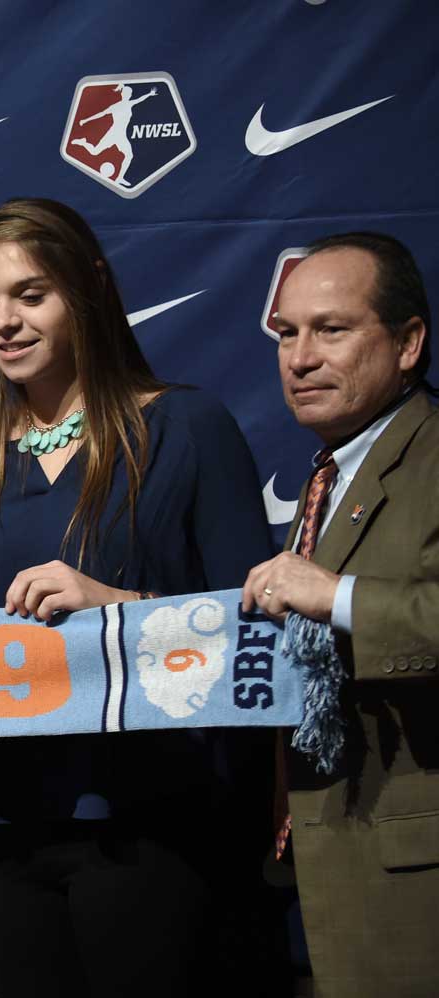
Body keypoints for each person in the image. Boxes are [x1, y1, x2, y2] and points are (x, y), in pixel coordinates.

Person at [0, 198, 274, 998]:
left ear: (90, 291)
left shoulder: (188, 426)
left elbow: (264, 640)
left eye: (30, 294)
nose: (3, 321)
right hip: (7, 831)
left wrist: (121, 605)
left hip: (155, 824)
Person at [245, 232, 437, 997]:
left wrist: (338, 597)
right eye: (287, 333)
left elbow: (329, 601)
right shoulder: (332, 473)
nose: (299, 358)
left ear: (408, 343)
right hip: (326, 864)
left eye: (332, 329)